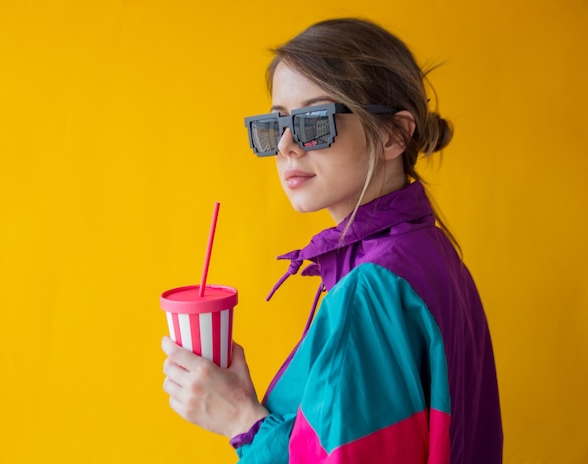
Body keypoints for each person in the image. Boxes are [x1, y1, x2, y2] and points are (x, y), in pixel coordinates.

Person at [161, 17, 503, 463]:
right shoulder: (432, 255)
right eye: (276, 125)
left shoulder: (370, 289)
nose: (286, 145)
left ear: (393, 135)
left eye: (313, 121)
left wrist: (240, 421)